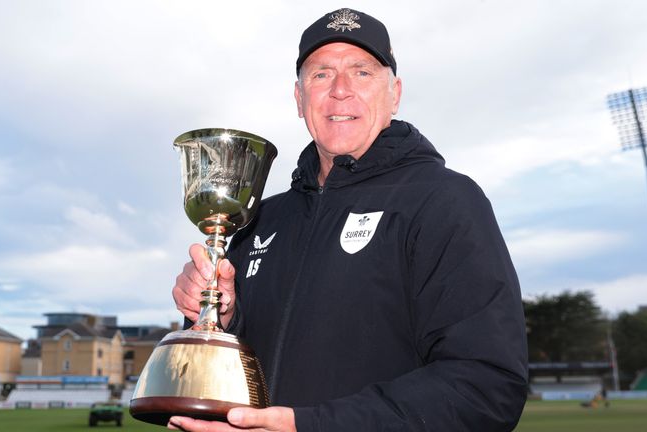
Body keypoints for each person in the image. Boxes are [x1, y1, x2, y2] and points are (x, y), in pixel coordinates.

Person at [170, 8, 528, 432]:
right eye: (321, 74)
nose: (340, 90)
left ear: (394, 93)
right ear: (299, 99)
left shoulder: (443, 200)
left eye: (362, 72)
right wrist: (221, 317)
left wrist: (311, 425)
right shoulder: (262, 218)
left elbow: (486, 387)